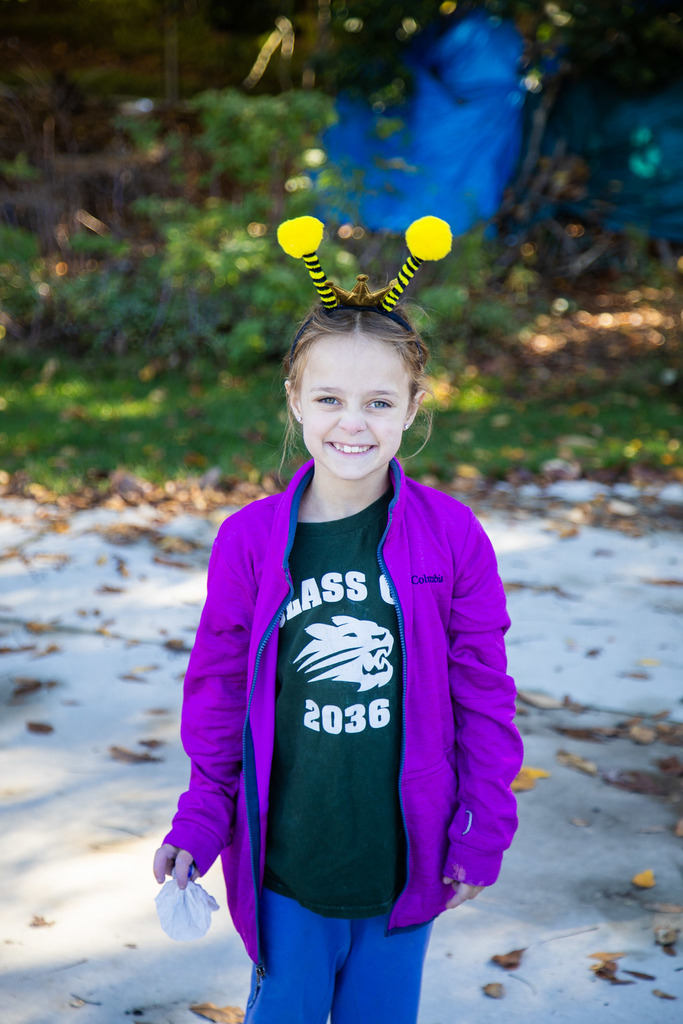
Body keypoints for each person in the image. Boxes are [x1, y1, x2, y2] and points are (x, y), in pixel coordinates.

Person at [153, 217, 523, 1024]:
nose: (351, 423)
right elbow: (217, 693)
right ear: (294, 399)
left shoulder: (452, 536)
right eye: (328, 398)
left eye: (377, 401)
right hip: (288, 856)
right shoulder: (249, 540)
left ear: (413, 407)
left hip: (405, 859)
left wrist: (481, 828)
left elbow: (484, 693)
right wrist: (202, 817)